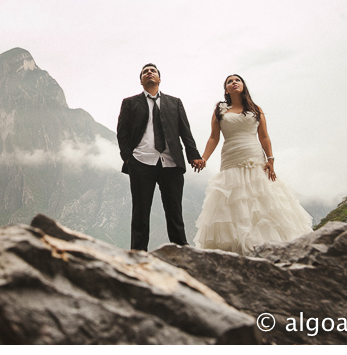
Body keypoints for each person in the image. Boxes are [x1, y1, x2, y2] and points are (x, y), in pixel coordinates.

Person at [193, 74, 313, 255]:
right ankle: (238, 248)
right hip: (231, 157)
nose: (234, 83)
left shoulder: (256, 109)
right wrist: (204, 158)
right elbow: (214, 137)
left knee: (261, 198)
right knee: (234, 199)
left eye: (237, 80)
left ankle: (271, 246)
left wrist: (271, 159)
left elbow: (264, 136)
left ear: (243, 86)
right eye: (229, 82)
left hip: (254, 156)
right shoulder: (220, 110)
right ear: (226, 90)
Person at [117, 63, 205, 251]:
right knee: (140, 212)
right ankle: (138, 254)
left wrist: (193, 155)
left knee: (175, 211)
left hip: (171, 163)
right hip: (141, 161)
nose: (149, 73)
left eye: (153, 71)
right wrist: (127, 158)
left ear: (159, 79)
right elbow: (122, 132)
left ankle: (181, 251)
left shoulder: (175, 102)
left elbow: (185, 131)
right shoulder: (130, 103)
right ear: (141, 80)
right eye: (145, 72)